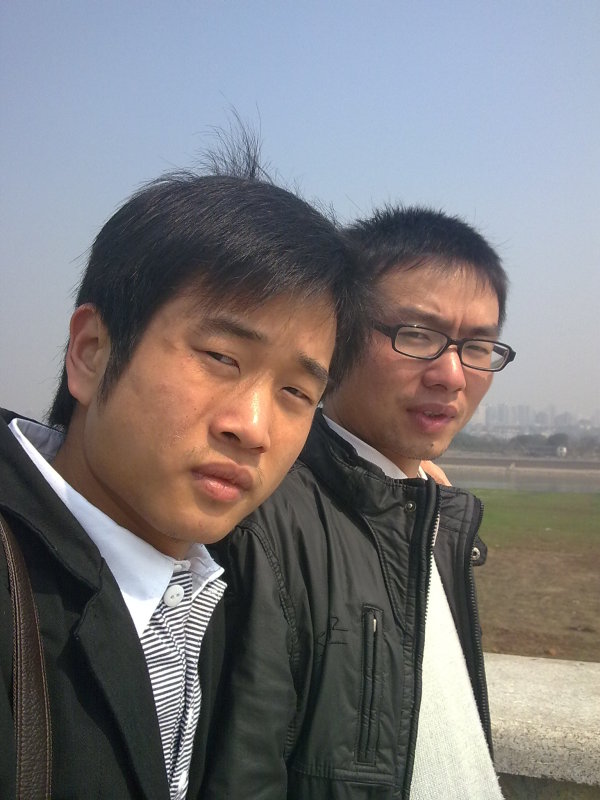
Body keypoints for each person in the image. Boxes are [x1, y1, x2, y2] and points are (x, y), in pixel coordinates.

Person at [0, 170, 369, 799]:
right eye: (221, 358)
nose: (253, 428)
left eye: (296, 392)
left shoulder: (210, 592)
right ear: (91, 352)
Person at [203, 206, 517, 799]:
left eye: (478, 346)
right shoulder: (263, 520)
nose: (452, 375)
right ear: (336, 339)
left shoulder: (430, 517)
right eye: (418, 335)